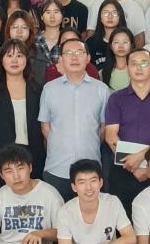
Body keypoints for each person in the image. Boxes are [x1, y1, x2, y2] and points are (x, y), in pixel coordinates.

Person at [104, 48, 150, 216]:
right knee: (122, 222)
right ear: (127, 68)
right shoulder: (116, 98)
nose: (138, 68)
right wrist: (132, 166)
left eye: (144, 63)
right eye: (133, 64)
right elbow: (110, 136)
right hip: (122, 171)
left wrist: (141, 160)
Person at [0, 40, 45, 203]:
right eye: (9, 55)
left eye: (19, 55)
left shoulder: (37, 89)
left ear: (26, 60)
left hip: (30, 159)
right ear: (1, 60)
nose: (14, 60)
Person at [38, 39, 111, 201]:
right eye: (68, 53)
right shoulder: (49, 89)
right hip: (56, 167)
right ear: (61, 59)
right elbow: (45, 127)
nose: (74, 57)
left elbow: (103, 128)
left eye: (79, 53)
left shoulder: (102, 90)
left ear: (88, 58)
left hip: (90, 170)